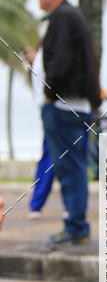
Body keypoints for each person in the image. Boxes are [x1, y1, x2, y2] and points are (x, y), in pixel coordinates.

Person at [36, 0, 99, 248]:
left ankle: (76, 226)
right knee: (74, 167)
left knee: (69, 168)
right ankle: (76, 225)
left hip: (64, 106)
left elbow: (60, 61)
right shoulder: (70, 15)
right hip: (74, 104)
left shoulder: (62, 16)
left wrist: (49, 94)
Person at [23, 40, 56, 219]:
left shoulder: (40, 60)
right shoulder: (46, 58)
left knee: (50, 159)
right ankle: (36, 204)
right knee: (52, 160)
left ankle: (36, 204)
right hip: (56, 112)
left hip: (51, 112)